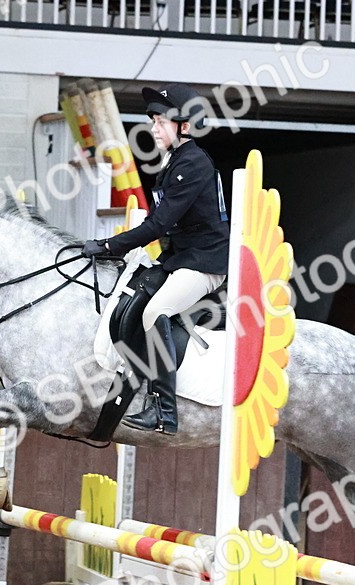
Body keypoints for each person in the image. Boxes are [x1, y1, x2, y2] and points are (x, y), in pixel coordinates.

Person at [82, 83, 229, 436]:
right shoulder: (176, 161)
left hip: (204, 264)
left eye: (160, 122)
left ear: (185, 126)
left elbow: (159, 223)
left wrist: (107, 246)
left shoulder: (192, 163)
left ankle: (164, 411)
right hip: (180, 258)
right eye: (153, 121)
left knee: (155, 311)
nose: (153, 128)